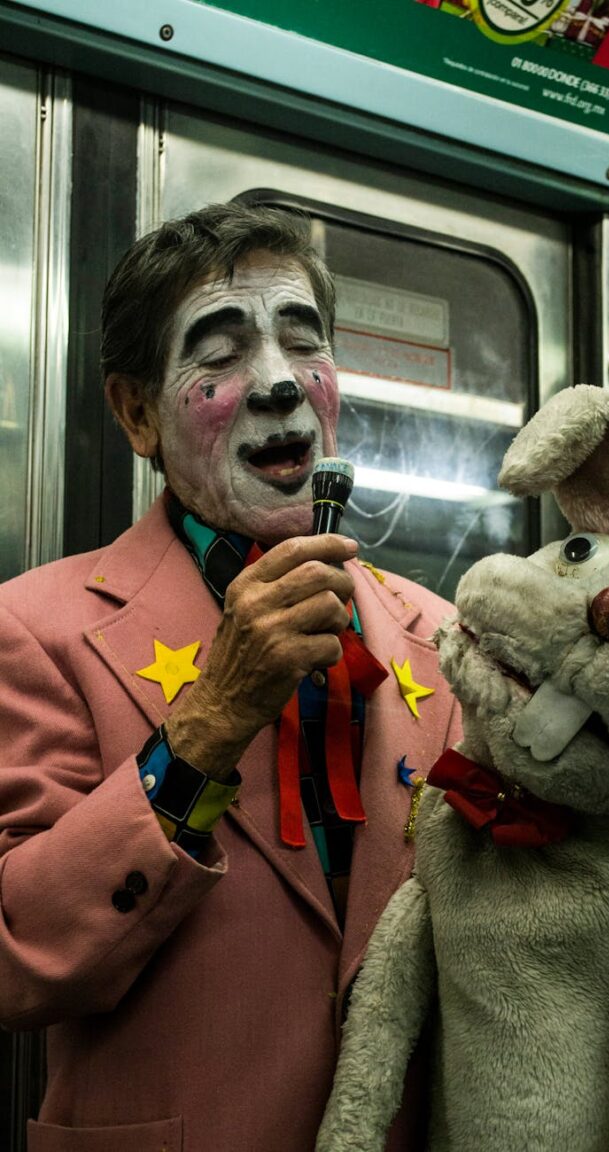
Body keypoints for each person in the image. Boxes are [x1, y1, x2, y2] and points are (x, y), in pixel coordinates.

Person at [0, 202, 461, 1152]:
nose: (281, 382)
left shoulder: (440, 636)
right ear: (136, 413)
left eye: (304, 341)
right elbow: (17, 963)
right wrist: (214, 716)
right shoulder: (36, 629)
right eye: (220, 352)